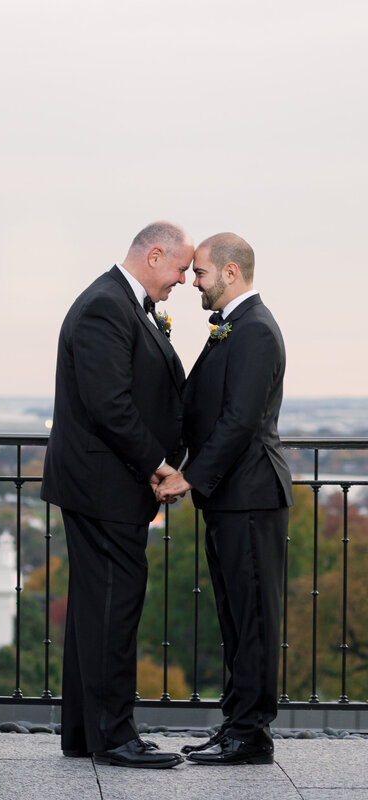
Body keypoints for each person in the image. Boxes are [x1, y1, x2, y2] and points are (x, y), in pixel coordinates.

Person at [41, 221, 191, 768]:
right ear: (155, 256)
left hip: (101, 482)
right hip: (104, 485)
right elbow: (109, 403)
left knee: (93, 607)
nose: (181, 282)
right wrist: (157, 465)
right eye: (179, 269)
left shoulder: (118, 303)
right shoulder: (107, 304)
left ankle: (87, 731)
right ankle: (115, 736)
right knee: (113, 608)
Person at [155, 232, 291, 765]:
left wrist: (188, 477)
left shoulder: (254, 330)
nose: (194, 282)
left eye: (203, 273)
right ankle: (235, 724)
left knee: (253, 618)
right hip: (232, 498)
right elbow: (199, 405)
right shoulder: (232, 329)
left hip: (252, 496)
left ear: (231, 272)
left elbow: (241, 421)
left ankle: (251, 735)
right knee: (235, 619)